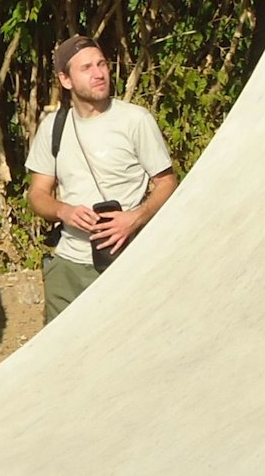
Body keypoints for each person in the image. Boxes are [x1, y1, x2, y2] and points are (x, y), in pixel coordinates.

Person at [26, 35, 177, 323]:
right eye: (86, 68)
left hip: (127, 261)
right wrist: (63, 211)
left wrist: (134, 218)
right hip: (68, 264)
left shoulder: (136, 120)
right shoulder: (52, 127)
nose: (99, 74)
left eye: (102, 64)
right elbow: (37, 194)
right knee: (61, 355)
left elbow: (167, 182)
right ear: (65, 80)